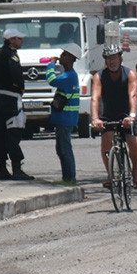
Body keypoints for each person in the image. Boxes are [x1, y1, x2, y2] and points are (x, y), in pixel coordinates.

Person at [0, 27, 33, 180]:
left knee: (0, 134)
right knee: (14, 133)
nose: (21, 40)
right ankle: (17, 169)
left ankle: (2, 168)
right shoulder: (10, 55)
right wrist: (17, 87)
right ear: (11, 40)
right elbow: (15, 74)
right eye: (19, 38)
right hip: (11, 99)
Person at [91, 43, 137, 189]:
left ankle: (135, 170)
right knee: (106, 139)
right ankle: (110, 174)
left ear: (120, 58)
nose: (111, 62)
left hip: (128, 114)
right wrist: (95, 119)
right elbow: (95, 98)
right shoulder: (99, 76)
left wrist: (132, 116)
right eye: (108, 59)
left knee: (132, 141)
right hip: (108, 115)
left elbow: (133, 95)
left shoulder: (130, 74)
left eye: (114, 58)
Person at [46, 45, 81, 184]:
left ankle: (70, 177)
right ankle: (66, 177)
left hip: (65, 119)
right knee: (61, 149)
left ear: (72, 59)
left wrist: (50, 64)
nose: (61, 56)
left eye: (65, 54)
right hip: (64, 119)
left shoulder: (69, 76)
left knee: (65, 150)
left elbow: (51, 80)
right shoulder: (69, 75)